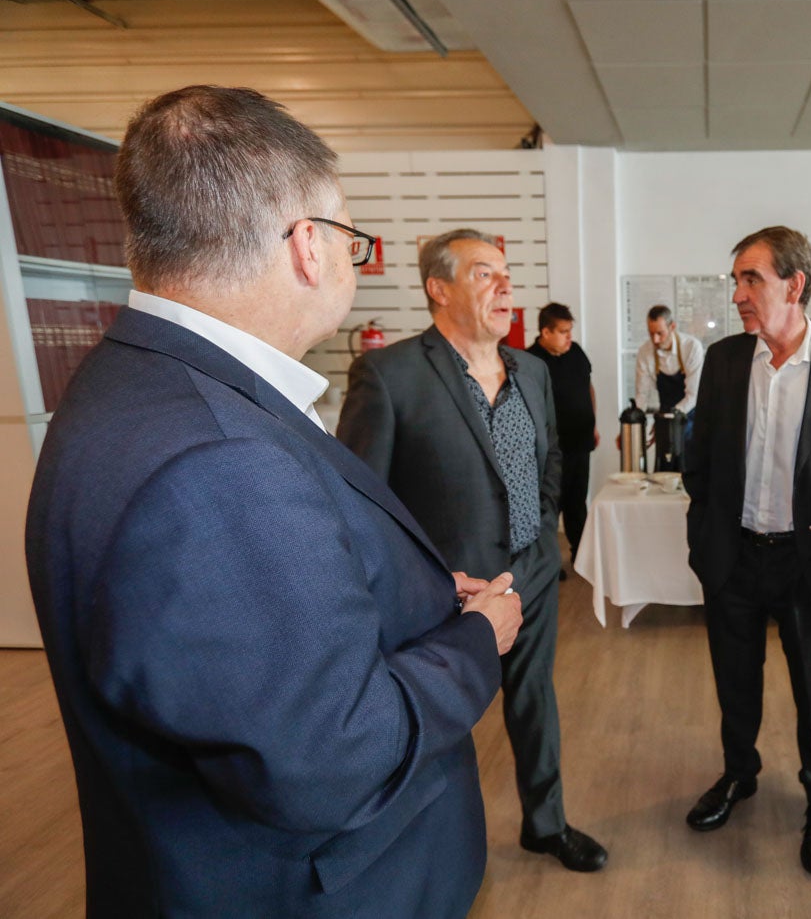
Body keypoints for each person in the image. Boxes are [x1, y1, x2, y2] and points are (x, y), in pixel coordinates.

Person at [24, 85, 522, 917]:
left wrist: (427, 601)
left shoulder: (140, 381)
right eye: (352, 240)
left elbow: (250, 638)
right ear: (308, 247)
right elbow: (331, 760)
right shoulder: (216, 462)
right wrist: (474, 638)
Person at [336, 229, 608, 873]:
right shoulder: (390, 373)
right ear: (439, 288)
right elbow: (360, 501)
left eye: (505, 273)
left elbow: (553, 460)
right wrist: (415, 581)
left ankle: (545, 825)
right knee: (436, 720)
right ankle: (423, 849)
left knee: (535, 700)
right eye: (484, 273)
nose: (506, 285)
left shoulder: (533, 372)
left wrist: (541, 537)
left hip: (531, 573)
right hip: (441, 593)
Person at [683, 225, 811, 877]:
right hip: (734, 558)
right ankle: (738, 775)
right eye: (736, 280)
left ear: (794, 284)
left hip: (806, 562)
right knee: (733, 682)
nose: (739, 292)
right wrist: (708, 536)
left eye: (752, 278)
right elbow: (699, 463)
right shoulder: (721, 361)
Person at [528, 302, 599, 568]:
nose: (569, 337)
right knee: (549, 508)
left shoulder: (576, 352)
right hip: (551, 450)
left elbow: (588, 388)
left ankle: (582, 559)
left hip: (580, 441)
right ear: (545, 333)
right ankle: (548, 565)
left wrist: (593, 424)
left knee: (577, 503)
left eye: (570, 330)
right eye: (563, 331)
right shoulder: (530, 361)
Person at [635, 303, 704, 421]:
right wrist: (636, 420)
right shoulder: (644, 352)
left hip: (692, 414)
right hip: (665, 412)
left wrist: (669, 419)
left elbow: (693, 395)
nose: (655, 340)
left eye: (660, 333)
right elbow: (642, 394)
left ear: (672, 327)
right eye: (651, 334)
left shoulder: (691, 347)